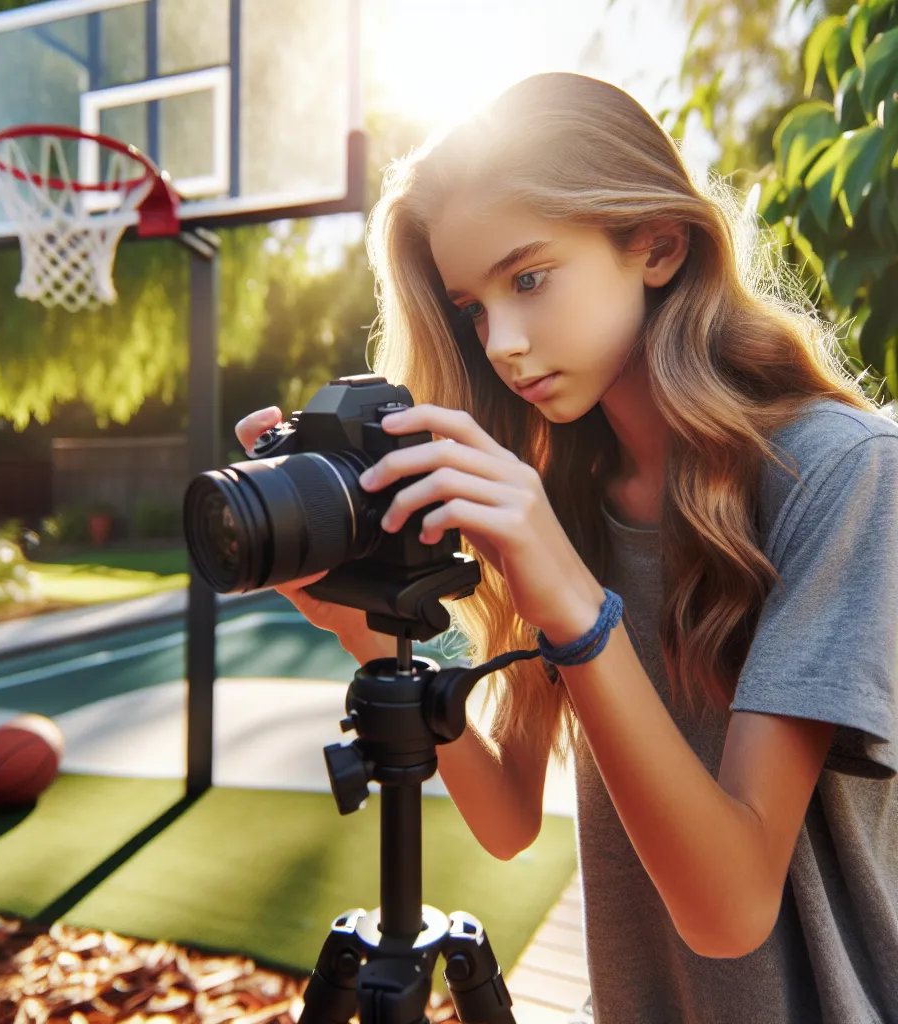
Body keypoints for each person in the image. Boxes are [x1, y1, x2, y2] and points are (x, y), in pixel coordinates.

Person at [235, 73, 898, 1024]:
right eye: (472, 308)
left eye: (531, 278)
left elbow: (732, 906)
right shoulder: (567, 498)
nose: (501, 342)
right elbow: (507, 818)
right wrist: (357, 625)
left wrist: (576, 609)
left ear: (657, 246)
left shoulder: (839, 476)